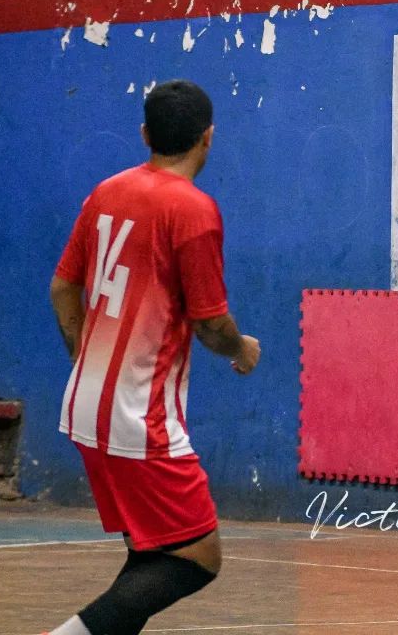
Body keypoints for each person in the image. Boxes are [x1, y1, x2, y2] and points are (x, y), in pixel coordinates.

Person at [46, 80, 261, 635]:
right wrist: (242, 350)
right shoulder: (192, 210)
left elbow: (62, 288)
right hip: (138, 418)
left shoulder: (106, 192)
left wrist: (85, 357)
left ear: (145, 134)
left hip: (86, 401)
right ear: (208, 138)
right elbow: (211, 324)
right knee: (198, 556)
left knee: (152, 553)